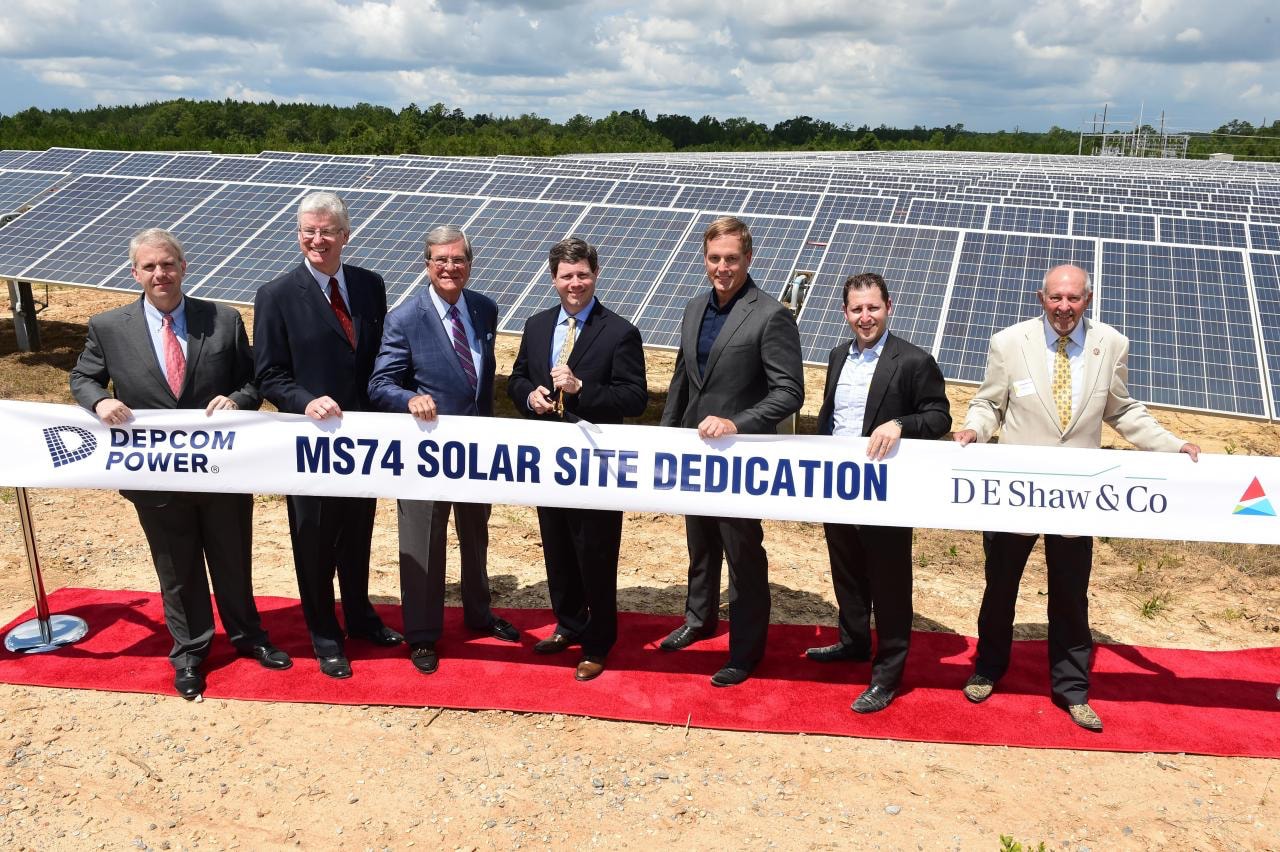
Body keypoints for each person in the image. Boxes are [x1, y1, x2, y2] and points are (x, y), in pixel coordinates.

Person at [954, 263, 1200, 732]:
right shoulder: (1009, 343)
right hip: (1017, 493)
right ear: (1040, 298)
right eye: (1055, 299)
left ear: (1088, 298)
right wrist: (975, 430)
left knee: (1071, 596)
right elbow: (989, 402)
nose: (1064, 308)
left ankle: (1072, 688)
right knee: (1000, 588)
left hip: (1077, 498)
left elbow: (1123, 411)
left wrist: (1173, 445)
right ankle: (987, 669)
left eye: (1074, 299)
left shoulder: (1111, 344)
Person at [70, 228, 290, 699]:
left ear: (184, 267)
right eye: (149, 267)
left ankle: (249, 637)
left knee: (233, 560)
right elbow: (83, 377)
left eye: (167, 264)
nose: (159, 274)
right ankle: (191, 649)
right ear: (135, 273)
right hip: (154, 476)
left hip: (222, 472)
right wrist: (98, 403)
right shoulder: (108, 327)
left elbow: (253, 381)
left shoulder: (224, 320)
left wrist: (237, 399)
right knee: (177, 568)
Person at [253, 191, 402, 680]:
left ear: (345, 234)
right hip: (310, 443)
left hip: (363, 441)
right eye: (308, 231)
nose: (317, 239)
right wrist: (304, 401)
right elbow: (270, 373)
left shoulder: (369, 285)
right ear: (299, 234)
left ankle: (359, 616)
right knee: (314, 540)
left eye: (327, 231)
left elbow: (378, 358)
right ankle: (323, 632)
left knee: (358, 533)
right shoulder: (276, 294)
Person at [658, 216, 804, 687]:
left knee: (742, 555)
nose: (722, 267)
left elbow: (789, 392)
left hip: (742, 458)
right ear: (705, 259)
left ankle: (745, 650)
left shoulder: (770, 314)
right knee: (700, 545)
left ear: (749, 259)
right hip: (693, 454)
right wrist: (665, 439)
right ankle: (699, 619)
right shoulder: (694, 307)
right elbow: (683, 380)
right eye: (715, 259)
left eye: (732, 259)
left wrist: (736, 423)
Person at [368, 225, 520, 675]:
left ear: (469, 264)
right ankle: (422, 635)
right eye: (441, 260)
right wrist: (407, 399)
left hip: (475, 449)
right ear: (427, 264)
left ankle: (479, 612)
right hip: (426, 451)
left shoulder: (484, 309)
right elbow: (380, 383)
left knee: (476, 536)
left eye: (458, 260)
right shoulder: (404, 317)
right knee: (424, 541)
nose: (450, 268)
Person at [808, 272, 951, 714]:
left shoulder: (912, 360)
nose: (865, 317)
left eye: (873, 308)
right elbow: (829, 416)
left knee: (889, 584)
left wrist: (901, 425)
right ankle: (852, 641)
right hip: (838, 485)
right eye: (857, 309)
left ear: (889, 306)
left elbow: (939, 416)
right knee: (847, 572)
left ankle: (887, 673)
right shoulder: (836, 357)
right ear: (844, 313)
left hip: (885, 491)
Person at [507, 237, 648, 681]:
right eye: (566, 276)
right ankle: (568, 624)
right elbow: (514, 380)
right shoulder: (535, 325)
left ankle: (598, 642)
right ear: (553, 280)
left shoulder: (620, 331)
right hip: (550, 460)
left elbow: (635, 398)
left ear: (595, 275)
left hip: (598, 464)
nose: (575, 283)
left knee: (596, 552)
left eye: (582, 274)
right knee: (558, 547)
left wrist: (580, 389)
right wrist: (529, 397)